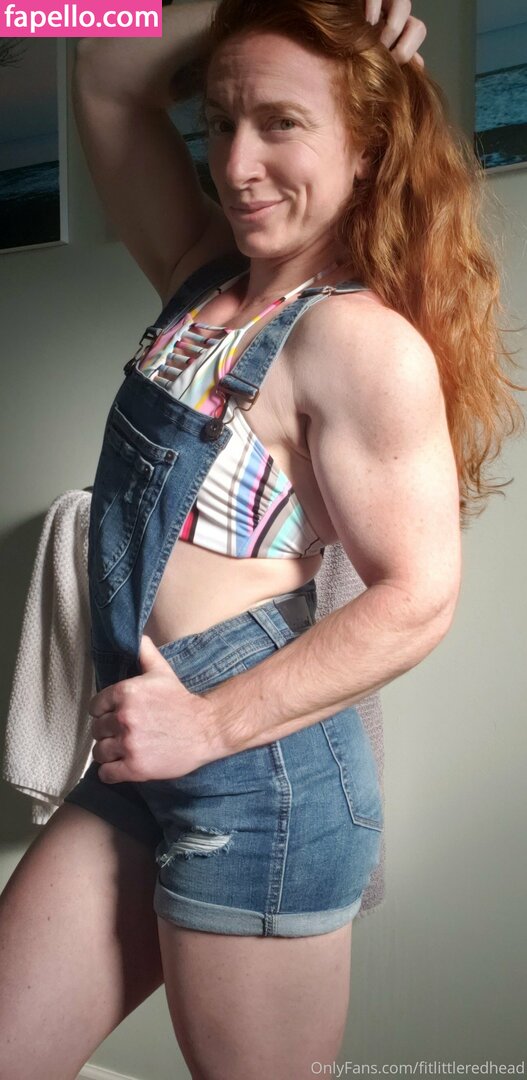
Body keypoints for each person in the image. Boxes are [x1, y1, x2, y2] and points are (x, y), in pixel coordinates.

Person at [1, 2, 524, 1078]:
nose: (236, 166)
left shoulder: (357, 341)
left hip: (253, 770)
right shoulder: (203, 273)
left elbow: (418, 596)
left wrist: (206, 725)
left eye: (281, 123)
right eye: (220, 122)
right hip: (145, 738)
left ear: (366, 144)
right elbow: (94, 54)